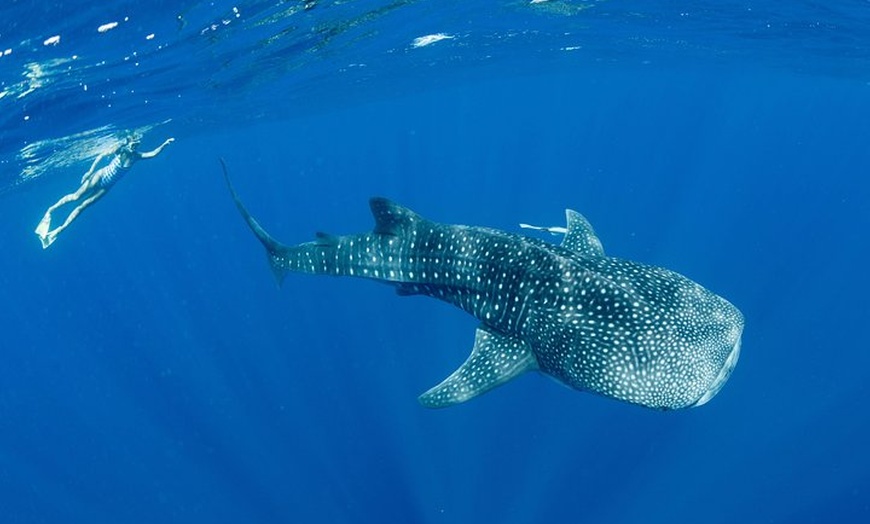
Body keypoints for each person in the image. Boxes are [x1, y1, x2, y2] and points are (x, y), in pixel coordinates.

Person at [34, 134, 174, 249]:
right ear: (129, 143)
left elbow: (153, 154)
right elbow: (101, 156)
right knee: (76, 197)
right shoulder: (121, 150)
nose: (134, 147)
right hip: (99, 176)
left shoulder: (136, 156)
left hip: (106, 187)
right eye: (133, 144)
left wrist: (165, 144)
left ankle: (60, 229)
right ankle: (50, 211)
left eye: (137, 145)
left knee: (82, 207)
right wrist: (90, 171)